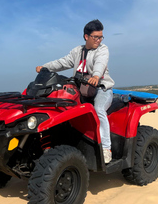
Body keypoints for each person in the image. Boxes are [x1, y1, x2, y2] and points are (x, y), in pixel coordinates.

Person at [36, 19, 115, 163]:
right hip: (80, 91)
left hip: (101, 90)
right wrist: (45, 67)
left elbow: (100, 63)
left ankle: (106, 148)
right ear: (86, 36)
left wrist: (96, 76)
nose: (98, 40)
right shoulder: (77, 51)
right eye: (95, 37)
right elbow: (62, 62)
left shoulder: (103, 50)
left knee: (98, 110)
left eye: (100, 37)